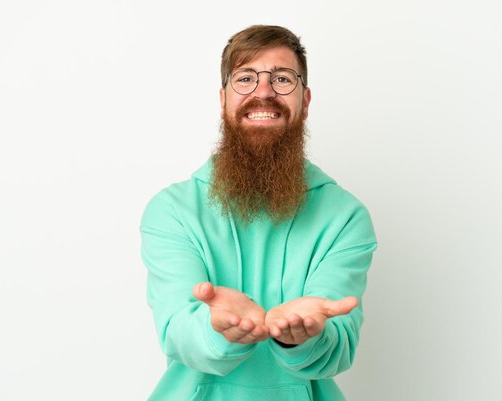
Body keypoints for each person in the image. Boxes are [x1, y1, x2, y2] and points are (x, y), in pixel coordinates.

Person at [140, 24, 377, 401]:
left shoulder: (345, 216)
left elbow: (339, 345)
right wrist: (220, 329)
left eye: (282, 78)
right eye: (246, 78)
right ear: (223, 99)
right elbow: (176, 331)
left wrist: (303, 336)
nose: (263, 91)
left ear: (306, 99)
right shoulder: (172, 210)